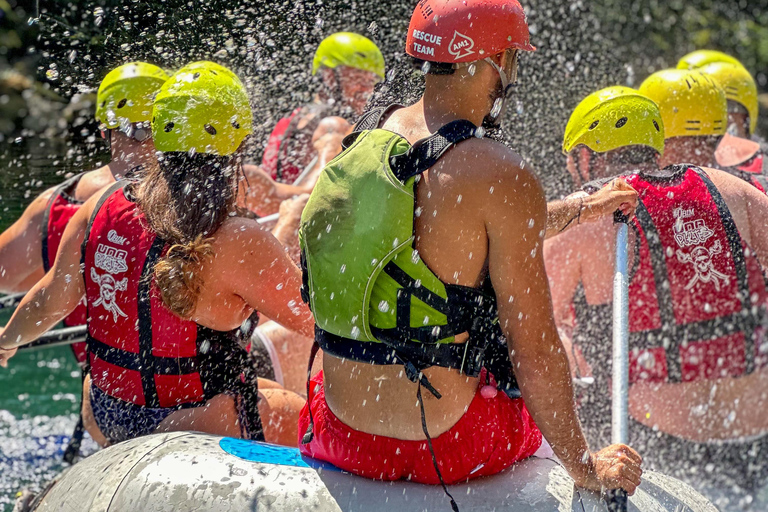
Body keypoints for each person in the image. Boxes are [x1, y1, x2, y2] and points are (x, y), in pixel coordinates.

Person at [297, 1, 642, 507]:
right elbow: (536, 351)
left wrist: (582, 208)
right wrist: (585, 466)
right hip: (449, 444)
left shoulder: (371, 135)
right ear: (496, 61)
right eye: (513, 60)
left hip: (342, 434)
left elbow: (449, 233)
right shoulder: (497, 169)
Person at [0, 61, 313, 448]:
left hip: (107, 414)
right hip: (192, 420)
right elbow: (318, 323)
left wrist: (7, 338)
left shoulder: (100, 204)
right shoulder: (237, 236)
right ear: (239, 141)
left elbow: (51, 298)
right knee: (307, 415)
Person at [545, 86, 768, 510]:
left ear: (587, 156)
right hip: (755, 441)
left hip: (654, 448)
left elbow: (535, 333)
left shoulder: (587, 212)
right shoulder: (732, 190)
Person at [260, 32, 385, 186]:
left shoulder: (289, 119)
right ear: (329, 76)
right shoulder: (334, 126)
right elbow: (314, 195)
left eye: (371, 81)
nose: (367, 89)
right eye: (358, 78)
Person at [678, 52, 765, 178]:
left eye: (729, 106)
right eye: (707, 108)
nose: (720, 115)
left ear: (746, 115)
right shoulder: (685, 154)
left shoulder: (761, 161)